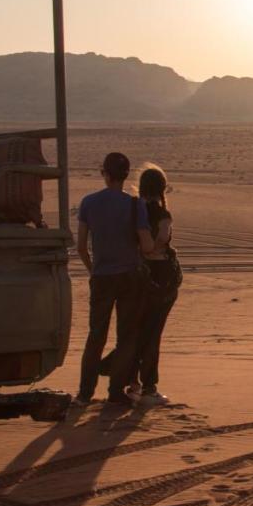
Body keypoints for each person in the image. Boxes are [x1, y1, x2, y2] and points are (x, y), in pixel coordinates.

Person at [75, 152, 154, 405]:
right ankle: (115, 391)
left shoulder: (89, 202)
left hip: (101, 277)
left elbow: (80, 246)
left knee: (96, 335)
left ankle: (85, 393)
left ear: (105, 174)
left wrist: (93, 269)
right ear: (125, 175)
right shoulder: (135, 205)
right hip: (129, 276)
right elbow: (147, 245)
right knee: (126, 336)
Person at [121, 165, 180, 406]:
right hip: (159, 275)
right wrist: (156, 249)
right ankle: (149, 387)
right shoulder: (161, 214)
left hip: (133, 274)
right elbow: (162, 239)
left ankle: (131, 382)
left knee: (135, 329)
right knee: (153, 332)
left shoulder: (134, 210)